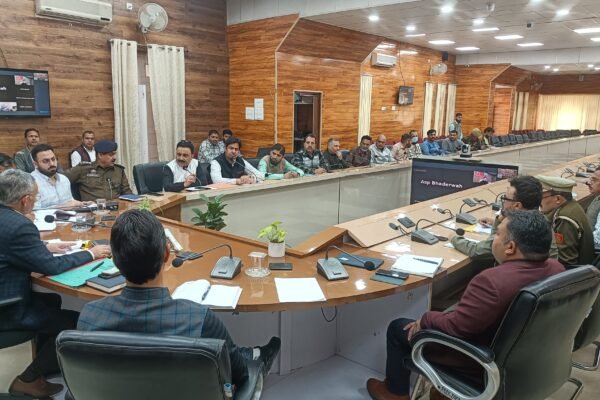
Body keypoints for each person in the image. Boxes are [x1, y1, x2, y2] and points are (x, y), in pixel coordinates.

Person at [366, 209, 564, 400]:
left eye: (497, 234)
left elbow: (456, 328)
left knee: (398, 328)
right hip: (525, 360)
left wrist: (425, 319)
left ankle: (395, 393)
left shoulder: (492, 282)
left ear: (510, 247)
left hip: (478, 360)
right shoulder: (556, 269)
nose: (493, 238)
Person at [77, 210, 281, 390]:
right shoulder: (199, 319)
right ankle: (256, 355)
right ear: (167, 254)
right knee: (238, 359)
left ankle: (249, 353)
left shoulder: (90, 316)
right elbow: (240, 375)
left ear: (114, 259)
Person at [0, 169, 110, 398]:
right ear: (25, 200)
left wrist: (44, 247)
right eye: (36, 197)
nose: (36, 201)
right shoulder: (20, 225)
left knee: (52, 300)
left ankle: (46, 362)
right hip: (7, 308)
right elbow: (52, 267)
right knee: (76, 322)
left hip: (7, 292)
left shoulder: (8, 221)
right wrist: (92, 253)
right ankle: (28, 379)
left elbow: (7, 245)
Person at [451, 175, 558, 260]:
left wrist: (454, 238)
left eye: (505, 198)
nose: (503, 202)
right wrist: (498, 220)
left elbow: (478, 250)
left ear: (517, 205)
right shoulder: (542, 221)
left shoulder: (515, 228)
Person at [536, 175, 594, 267]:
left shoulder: (564, 218)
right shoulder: (571, 205)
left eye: (541, 197)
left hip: (572, 272)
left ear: (558, 199)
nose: (538, 201)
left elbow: (566, 262)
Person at [64, 140, 133, 201]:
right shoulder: (83, 169)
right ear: (100, 155)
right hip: (93, 209)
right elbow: (61, 180)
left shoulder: (119, 171)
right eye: (111, 155)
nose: (115, 157)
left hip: (117, 208)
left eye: (115, 154)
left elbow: (127, 193)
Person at [30, 144, 87, 209]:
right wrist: (62, 207)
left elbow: (70, 202)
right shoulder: (30, 182)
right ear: (35, 164)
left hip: (70, 215)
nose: (52, 164)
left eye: (53, 159)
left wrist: (84, 204)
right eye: (45, 161)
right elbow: (34, 210)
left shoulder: (64, 179)